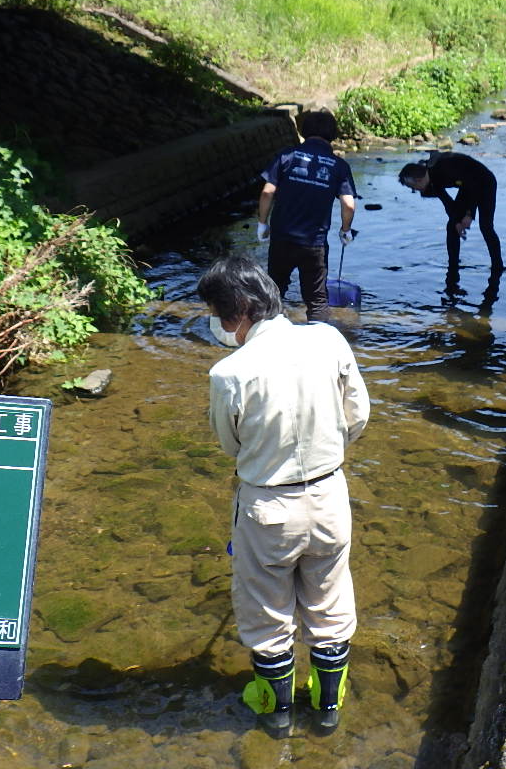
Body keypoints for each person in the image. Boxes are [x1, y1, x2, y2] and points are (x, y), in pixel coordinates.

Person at [198, 255, 370, 738]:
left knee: (266, 611)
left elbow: (230, 444)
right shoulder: (327, 338)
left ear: (241, 311)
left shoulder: (228, 373)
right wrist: (327, 453)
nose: (219, 323)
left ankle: (275, 711)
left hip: (267, 506)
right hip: (329, 494)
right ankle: (327, 702)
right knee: (330, 601)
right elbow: (357, 414)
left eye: (220, 312)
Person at [257, 110, 357, 323]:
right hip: (314, 243)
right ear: (332, 134)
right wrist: (345, 230)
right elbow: (348, 204)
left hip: (282, 238)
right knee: (317, 300)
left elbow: (267, 192)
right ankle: (321, 348)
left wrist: (262, 224)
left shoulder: (286, 156)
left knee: (273, 292)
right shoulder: (339, 166)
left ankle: (263, 337)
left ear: (304, 131)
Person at [397, 152, 503, 275]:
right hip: (466, 185)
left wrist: (469, 214)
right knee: (452, 226)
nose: (414, 191)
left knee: (486, 226)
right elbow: (447, 202)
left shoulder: (444, 169)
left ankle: (498, 266)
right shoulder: (432, 178)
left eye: (412, 187)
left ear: (418, 180)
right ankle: (453, 265)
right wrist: (457, 221)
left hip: (484, 181)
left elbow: (472, 185)